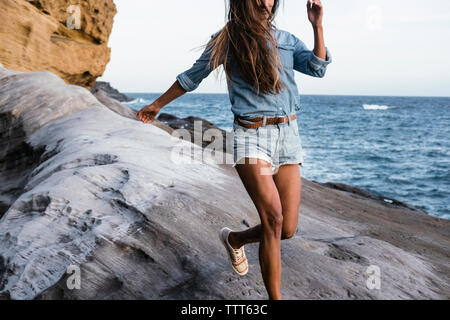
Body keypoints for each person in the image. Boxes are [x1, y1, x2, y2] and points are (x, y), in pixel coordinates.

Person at [137, 0, 332, 300]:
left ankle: (235, 239)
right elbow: (192, 77)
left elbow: (318, 68)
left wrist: (317, 25)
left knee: (287, 228)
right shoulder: (228, 39)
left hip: (289, 136)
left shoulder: (288, 40)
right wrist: (157, 105)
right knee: (274, 220)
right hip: (250, 137)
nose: (263, 1)